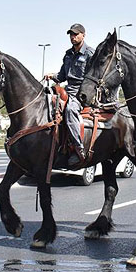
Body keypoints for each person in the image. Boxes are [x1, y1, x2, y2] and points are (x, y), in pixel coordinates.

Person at [45, 23, 95, 166]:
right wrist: (52, 76)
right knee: (48, 104)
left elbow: (94, 77)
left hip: (82, 92)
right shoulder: (68, 54)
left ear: (83, 35)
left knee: (70, 109)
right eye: (71, 35)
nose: (72, 37)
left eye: (76, 34)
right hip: (68, 89)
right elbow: (62, 76)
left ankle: (78, 148)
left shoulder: (90, 54)